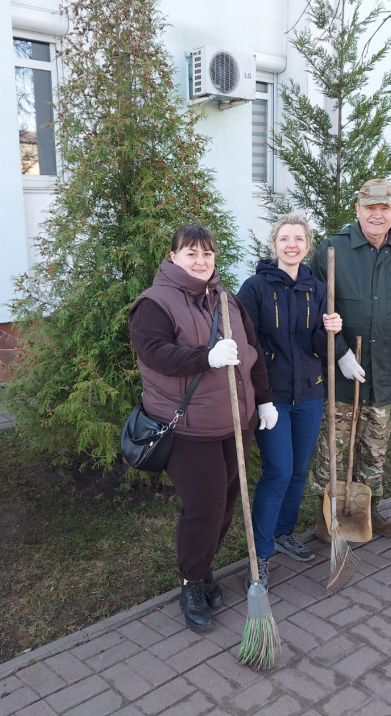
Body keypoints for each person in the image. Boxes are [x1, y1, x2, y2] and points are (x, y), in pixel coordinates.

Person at [128, 224, 276, 632]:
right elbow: (154, 352)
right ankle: (191, 581)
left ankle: (203, 566)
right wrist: (205, 357)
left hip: (236, 423)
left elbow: (252, 351)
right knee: (204, 508)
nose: (200, 261)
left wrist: (263, 399)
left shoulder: (226, 299)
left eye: (207, 253)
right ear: (172, 256)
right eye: (191, 253)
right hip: (190, 429)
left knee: (227, 502)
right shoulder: (154, 303)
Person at [310, 178, 391, 539]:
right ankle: (324, 513)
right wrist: (340, 352)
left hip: (386, 370)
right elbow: (315, 313)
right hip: (342, 369)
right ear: (358, 209)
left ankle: (369, 510)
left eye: (385, 208)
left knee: (375, 446)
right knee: (334, 444)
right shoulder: (333, 250)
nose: (377, 215)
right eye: (370, 208)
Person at [237, 212, 343, 587]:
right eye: (285, 238)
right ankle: (260, 554)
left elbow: (317, 346)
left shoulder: (317, 288)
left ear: (308, 246)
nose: (292, 245)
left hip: (310, 393)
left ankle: (282, 533)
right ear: (274, 245)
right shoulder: (255, 288)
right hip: (273, 397)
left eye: (299, 239)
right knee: (278, 471)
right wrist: (259, 394)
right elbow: (246, 343)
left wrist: (332, 332)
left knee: (298, 470)